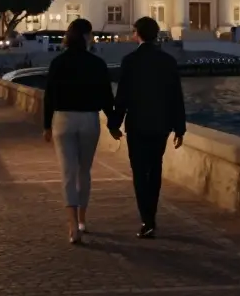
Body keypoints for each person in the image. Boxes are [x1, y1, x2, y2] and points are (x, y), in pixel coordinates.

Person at [108, 17, 186, 239]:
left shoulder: (130, 61)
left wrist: (114, 123)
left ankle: (147, 219)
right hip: (161, 125)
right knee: (155, 169)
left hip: (137, 125)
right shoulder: (168, 61)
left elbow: (122, 96)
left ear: (137, 34)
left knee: (139, 172)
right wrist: (180, 128)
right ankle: (151, 213)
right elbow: (175, 97)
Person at [42, 18, 115, 244]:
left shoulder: (58, 62)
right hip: (88, 119)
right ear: (86, 37)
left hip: (63, 119)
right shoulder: (97, 63)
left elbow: (49, 96)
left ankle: (72, 223)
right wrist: (113, 122)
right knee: (84, 172)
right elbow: (105, 97)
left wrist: (46, 125)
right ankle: (83, 219)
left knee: (67, 173)